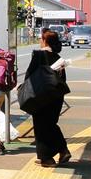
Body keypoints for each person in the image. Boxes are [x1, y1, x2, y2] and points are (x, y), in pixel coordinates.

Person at [25, 28, 71, 167]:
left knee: (41, 126)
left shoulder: (39, 56)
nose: (40, 41)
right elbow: (62, 78)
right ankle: (62, 151)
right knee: (50, 124)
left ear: (45, 41)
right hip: (56, 97)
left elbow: (30, 75)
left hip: (40, 97)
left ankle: (47, 158)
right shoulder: (58, 58)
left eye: (41, 38)